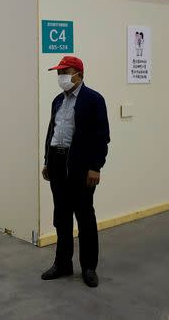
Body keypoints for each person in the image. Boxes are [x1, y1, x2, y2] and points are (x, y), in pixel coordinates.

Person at [41, 56, 110, 288]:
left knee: (84, 217)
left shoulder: (94, 100)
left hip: (80, 166)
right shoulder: (57, 101)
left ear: (78, 74)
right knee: (61, 217)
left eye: (65, 72)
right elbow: (53, 132)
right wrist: (47, 161)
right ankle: (63, 264)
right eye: (58, 73)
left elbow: (101, 137)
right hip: (57, 162)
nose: (61, 77)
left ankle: (89, 267)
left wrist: (95, 166)